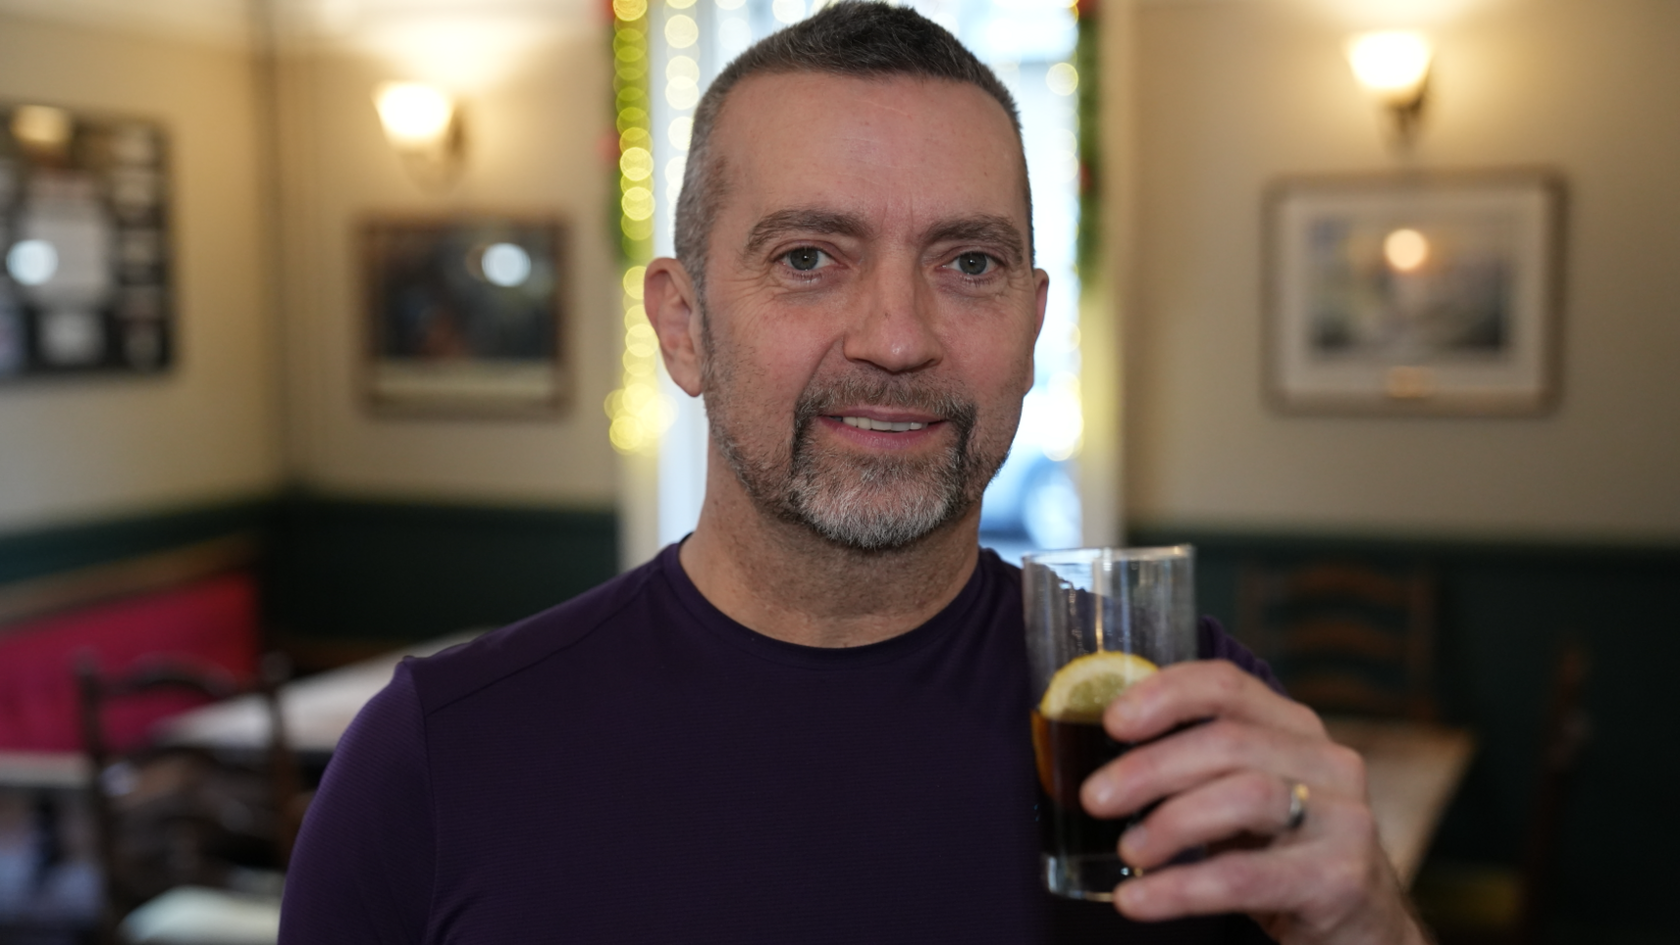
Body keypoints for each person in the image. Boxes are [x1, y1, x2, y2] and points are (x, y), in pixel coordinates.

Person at [279, 5, 1430, 944]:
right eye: (809, 258)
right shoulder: (438, 756)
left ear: (1031, 329)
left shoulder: (1173, 720)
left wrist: (1368, 922)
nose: (896, 336)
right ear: (682, 327)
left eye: (968, 262)